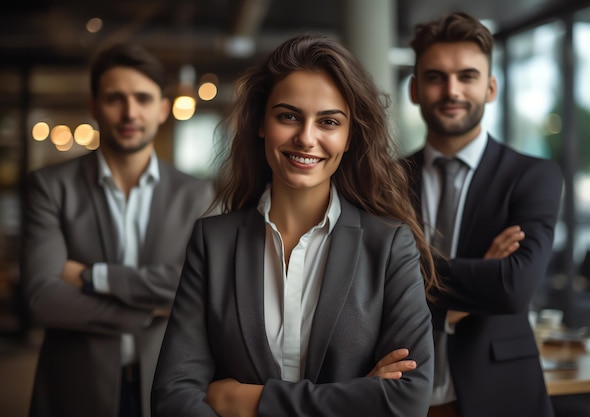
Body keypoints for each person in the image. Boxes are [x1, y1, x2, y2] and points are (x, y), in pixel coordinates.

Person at [151, 33, 437, 417]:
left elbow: (407, 401)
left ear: (350, 135)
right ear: (261, 124)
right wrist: (356, 396)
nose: (306, 138)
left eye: (329, 122)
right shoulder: (213, 242)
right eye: (288, 116)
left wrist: (245, 402)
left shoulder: (388, 246)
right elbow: (172, 396)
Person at [20, 42, 214, 417]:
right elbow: (40, 299)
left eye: (142, 98)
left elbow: (197, 289)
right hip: (75, 387)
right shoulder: (50, 186)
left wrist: (94, 277)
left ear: (161, 109)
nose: (130, 112)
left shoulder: (196, 194)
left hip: (167, 384)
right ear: (94, 107)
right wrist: (147, 311)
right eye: (115, 99)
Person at [402, 12, 563, 417]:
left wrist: (407, 277)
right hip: (399, 399)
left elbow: (513, 287)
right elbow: (361, 288)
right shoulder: (383, 179)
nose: (452, 90)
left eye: (467, 76)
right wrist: (478, 277)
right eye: (436, 76)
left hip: (502, 396)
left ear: (490, 88)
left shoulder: (533, 176)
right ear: (415, 89)